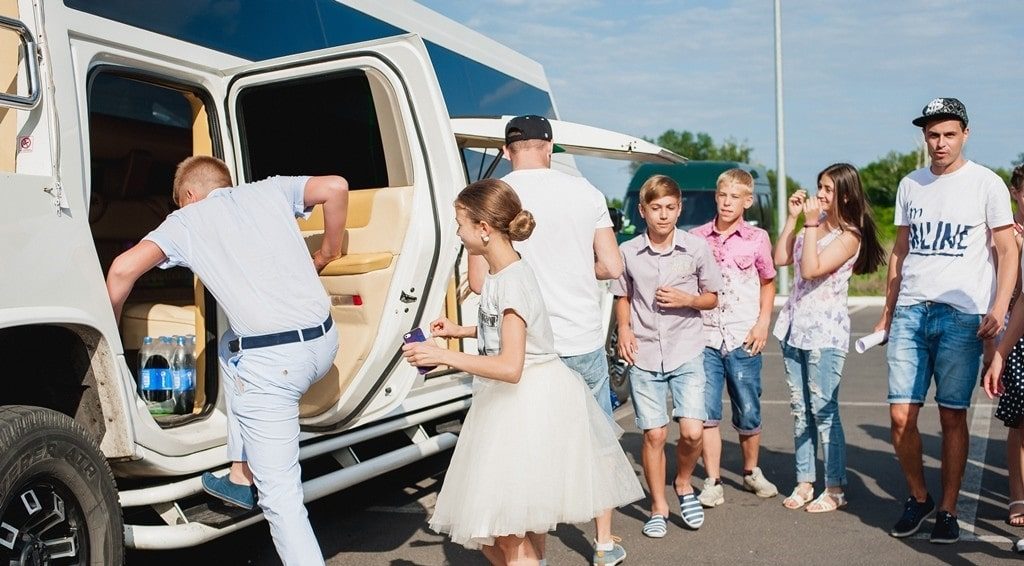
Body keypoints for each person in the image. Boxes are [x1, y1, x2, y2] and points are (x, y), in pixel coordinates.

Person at [105, 156, 349, 565]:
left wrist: (109, 342)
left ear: (188, 196)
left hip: (275, 366)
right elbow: (337, 186)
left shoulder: (187, 220)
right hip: (324, 341)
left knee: (282, 501)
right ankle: (240, 473)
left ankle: (256, 486)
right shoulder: (270, 188)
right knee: (231, 348)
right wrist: (327, 252)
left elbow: (121, 269)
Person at [404, 178, 643, 566]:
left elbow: (510, 366)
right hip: (522, 400)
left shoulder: (512, 280)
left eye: (461, 223)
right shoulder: (504, 274)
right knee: (512, 530)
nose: (459, 232)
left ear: (483, 229)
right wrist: (461, 331)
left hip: (526, 404)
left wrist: (444, 357)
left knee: (507, 532)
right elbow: (512, 331)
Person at [467, 115, 627, 565]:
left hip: (524, 346)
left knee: (526, 456)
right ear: (550, 147)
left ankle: (529, 555)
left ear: (505, 151)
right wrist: (579, 268)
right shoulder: (585, 192)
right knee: (593, 444)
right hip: (578, 336)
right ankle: (603, 543)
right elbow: (613, 266)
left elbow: (480, 284)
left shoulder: (493, 197)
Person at [875, 97, 1017, 544]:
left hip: (962, 315)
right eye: (933, 134)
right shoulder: (910, 184)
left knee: (953, 417)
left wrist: (997, 308)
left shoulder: (987, 184)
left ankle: (949, 509)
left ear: (965, 134)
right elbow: (900, 251)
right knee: (901, 416)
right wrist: (887, 311)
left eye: (949, 134)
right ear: (924, 137)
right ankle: (919, 497)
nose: (940, 142)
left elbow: (1007, 250)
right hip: (911, 313)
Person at [613, 174, 722, 537]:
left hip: (687, 348)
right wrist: (624, 329)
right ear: (643, 211)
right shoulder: (627, 252)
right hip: (644, 352)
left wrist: (687, 299)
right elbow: (622, 295)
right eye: (656, 208)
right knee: (655, 435)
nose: (663, 215)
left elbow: (712, 296)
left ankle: (684, 483)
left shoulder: (695, 248)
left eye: (670, 208)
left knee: (691, 432)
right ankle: (658, 506)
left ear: (680, 209)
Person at [773, 163, 885, 514]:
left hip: (824, 333)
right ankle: (805, 481)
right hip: (793, 327)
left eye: (827, 189)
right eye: (819, 186)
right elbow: (779, 259)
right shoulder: (812, 223)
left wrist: (809, 225)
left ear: (845, 195)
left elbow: (809, 269)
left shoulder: (850, 235)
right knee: (799, 410)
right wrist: (794, 220)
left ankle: (834, 486)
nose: (819, 194)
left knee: (823, 411)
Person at [691, 168, 779, 508]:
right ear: (716, 197)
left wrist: (762, 323)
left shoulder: (757, 240)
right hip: (706, 337)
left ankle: (750, 471)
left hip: (744, 336)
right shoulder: (697, 238)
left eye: (735, 197)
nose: (727, 203)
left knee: (748, 408)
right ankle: (712, 480)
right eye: (723, 196)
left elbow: (768, 282)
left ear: (748, 201)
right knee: (707, 411)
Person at [982, 165, 1024, 537]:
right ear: (1014, 192)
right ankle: (1017, 494)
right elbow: (1004, 292)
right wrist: (993, 349)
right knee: (1018, 421)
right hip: (1014, 333)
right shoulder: (1005, 235)